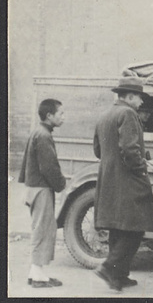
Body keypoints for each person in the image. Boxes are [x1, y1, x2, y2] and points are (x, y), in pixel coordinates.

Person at [93, 77, 153, 291]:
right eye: (139, 97)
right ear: (129, 97)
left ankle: (119, 276)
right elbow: (129, 149)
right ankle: (110, 268)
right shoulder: (128, 114)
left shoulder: (106, 114)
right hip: (129, 180)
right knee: (137, 227)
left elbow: (97, 150)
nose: (141, 102)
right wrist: (141, 168)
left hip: (109, 179)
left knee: (119, 228)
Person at [18, 99, 67, 288]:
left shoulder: (39, 132)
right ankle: (38, 276)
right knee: (43, 230)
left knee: (41, 229)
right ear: (49, 115)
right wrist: (62, 185)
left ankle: (36, 272)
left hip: (34, 187)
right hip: (41, 189)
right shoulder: (44, 135)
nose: (63, 117)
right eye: (61, 113)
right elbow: (49, 167)